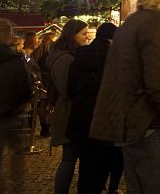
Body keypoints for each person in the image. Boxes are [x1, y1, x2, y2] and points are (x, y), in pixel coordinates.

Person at [90, 0, 160, 194]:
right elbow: (159, 81)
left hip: (130, 124)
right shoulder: (155, 24)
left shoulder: (131, 23)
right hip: (150, 125)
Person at [66, 22, 121, 194]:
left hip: (81, 117)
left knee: (86, 164)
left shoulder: (81, 55)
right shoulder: (114, 57)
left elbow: (71, 88)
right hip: (104, 117)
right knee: (102, 164)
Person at [0, 19, 32, 193]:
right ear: (8, 36)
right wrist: (20, 107)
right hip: (12, 115)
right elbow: (24, 88)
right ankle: (18, 186)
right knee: (18, 152)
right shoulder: (14, 59)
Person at [47, 19, 89, 194]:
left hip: (72, 112)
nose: (87, 38)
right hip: (69, 113)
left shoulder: (67, 56)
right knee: (69, 158)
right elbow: (67, 88)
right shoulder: (65, 59)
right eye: (84, 34)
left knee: (71, 157)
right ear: (73, 35)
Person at [30, 32, 55, 137]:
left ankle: (44, 128)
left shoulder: (37, 50)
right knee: (48, 104)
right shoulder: (49, 50)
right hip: (48, 81)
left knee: (41, 105)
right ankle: (46, 128)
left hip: (39, 80)